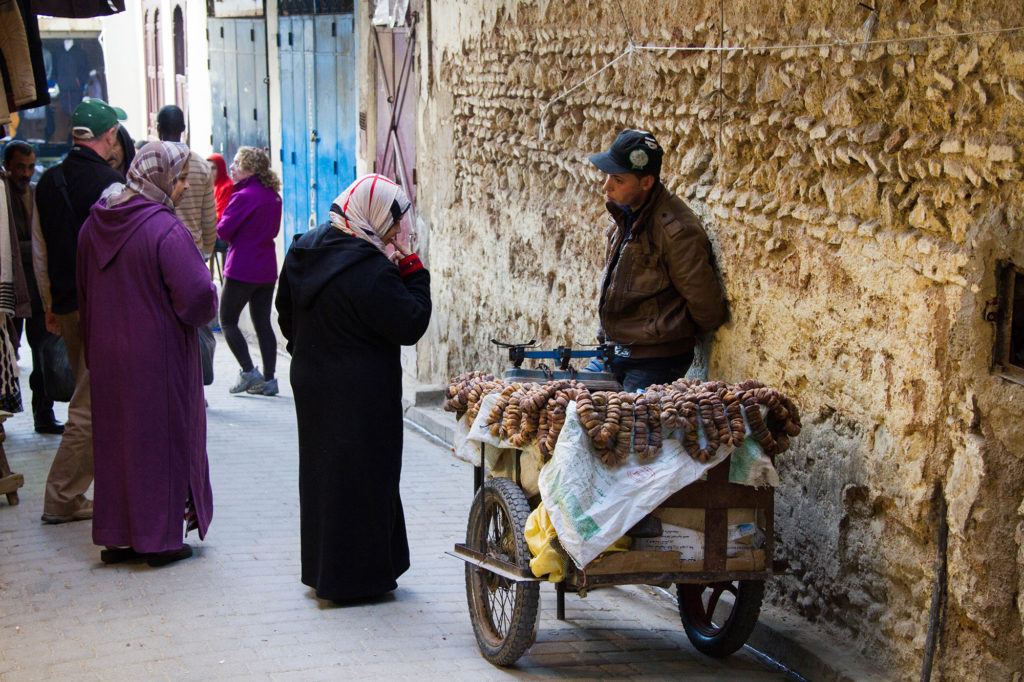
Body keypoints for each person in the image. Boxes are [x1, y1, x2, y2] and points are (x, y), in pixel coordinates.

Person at [276, 173, 431, 603]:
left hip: (313, 382)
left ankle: (324, 572)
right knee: (366, 478)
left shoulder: (305, 247)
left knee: (324, 476)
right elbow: (410, 323)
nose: (392, 232)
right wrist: (414, 272)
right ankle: (357, 581)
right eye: (390, 222)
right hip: (362, 391)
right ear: (372, 213)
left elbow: (285, 310)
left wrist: (310, 348)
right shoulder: (369, 269)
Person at [77, 141, 217, 567]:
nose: (179, 189)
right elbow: (197, 298)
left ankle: (119, 537)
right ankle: (159, 540)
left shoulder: (93, 226)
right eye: (177, 180)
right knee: (162, 444)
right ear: (159, 179)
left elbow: (85, 292)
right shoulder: (164, 230)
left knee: (117, 443)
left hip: (107, 355)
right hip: (157, 359)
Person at [34, 97, 126, 524]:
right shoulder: (110, 185)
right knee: (90, 405)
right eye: (114, 136)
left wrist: (50, 303)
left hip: (68, 305)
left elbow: (40, 250)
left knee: (89, 397)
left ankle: (91, 489)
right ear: (108, 136)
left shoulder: (48, 182)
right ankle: (62, 497)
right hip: (101, 307)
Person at [589, 129, 727, 392]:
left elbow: (708, 310)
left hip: (654, 361)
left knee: (629, 428)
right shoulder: (626, 214)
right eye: (607, 177)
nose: (607, 186)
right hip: (614, 352)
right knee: (572, 412)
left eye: (617, 179)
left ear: (646, 182)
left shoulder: (676, 231)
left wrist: (663, 334)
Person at [2, 141, 63, 433]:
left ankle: (44, 414)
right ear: (8, 167)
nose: (25, 174)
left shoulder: (38, 193)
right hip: (10, 289)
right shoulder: (3, 197)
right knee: (8, 353)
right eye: (20, 167)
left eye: (29, 167)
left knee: (42, 354)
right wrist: (34, 249)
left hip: (37, 289)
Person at [216, 146, 282, 396]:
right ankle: (269, 379)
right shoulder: (273, 196)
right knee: (263, 322)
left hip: (242, 266)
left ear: (251, 169)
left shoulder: (243, 196)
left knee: (227, 320)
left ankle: (248, 371)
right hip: (265, 266)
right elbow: (273, 231)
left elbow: (224, 230)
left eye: (237, 164)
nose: (232, 168)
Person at [157, 106, 216, 259]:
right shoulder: (202, 166)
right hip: (192, 249)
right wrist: (207, 251)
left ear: (158, 128)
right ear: (183, 129)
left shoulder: (151, 164)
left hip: (158, 250)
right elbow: (208, 216)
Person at [207, 153, 233, 221]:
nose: (210, 172)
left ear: (221, 168)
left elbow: (220, 215)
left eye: (213, 168)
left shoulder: (227, 187)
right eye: (207, 168)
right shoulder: (214, 184)